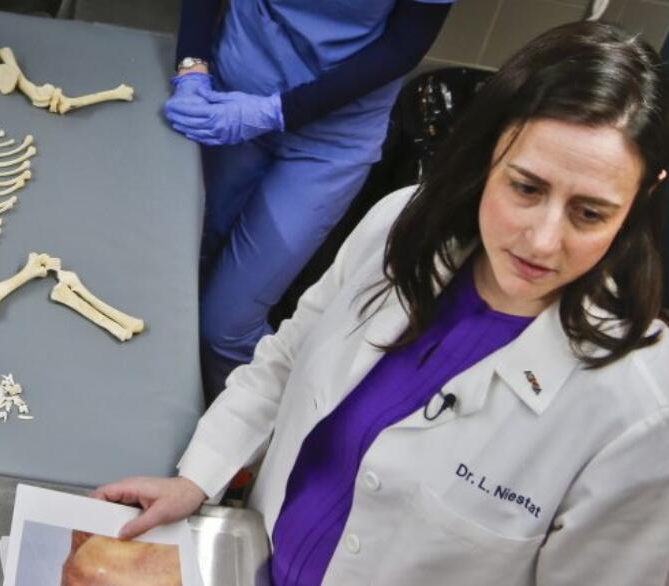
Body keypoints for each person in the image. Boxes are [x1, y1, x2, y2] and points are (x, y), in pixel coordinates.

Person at [98, 22, 669, 586]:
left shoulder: (643, 426)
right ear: (488, 149)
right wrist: (200, 475)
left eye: (590, 213)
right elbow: (288, 358)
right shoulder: (403, 227)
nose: (542, 238)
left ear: (644, 197)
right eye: (524, 187)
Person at [164, 0, 455, 400]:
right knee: (176, 268)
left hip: (331, 139)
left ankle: (251, 451)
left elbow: (403, 46)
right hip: (228, 97)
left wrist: (279, 111)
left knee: (226, 327)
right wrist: (192, 68)